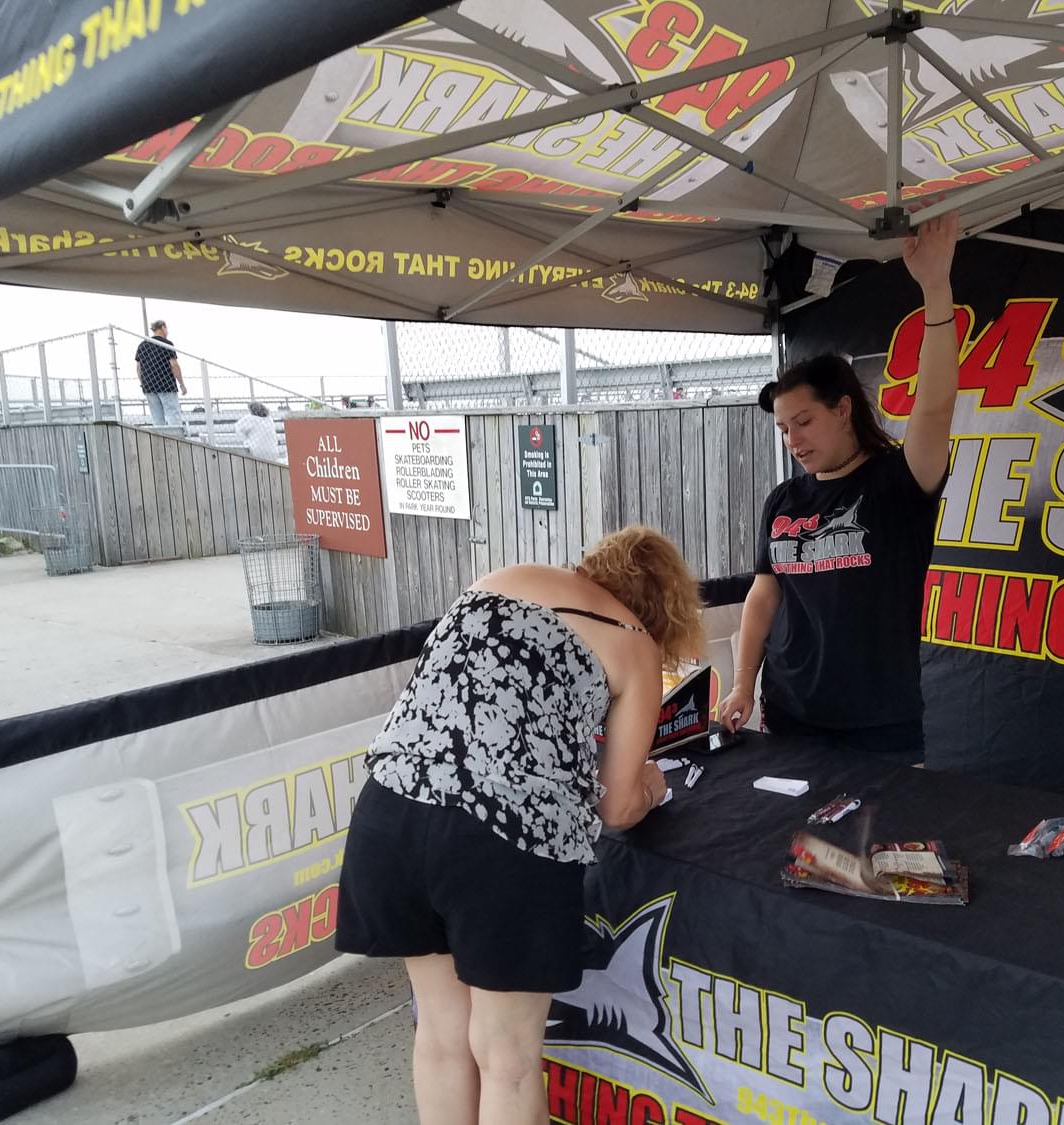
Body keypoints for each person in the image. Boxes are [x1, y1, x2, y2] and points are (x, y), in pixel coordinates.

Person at [336, 526, 705, 1124]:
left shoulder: (503, 578)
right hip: (502, 836)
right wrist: (652, 785)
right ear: (665, 607)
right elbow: (618, 808)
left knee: (441, 1033)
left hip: (390, 812)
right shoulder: (634, 642)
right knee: (507, 1057)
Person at [717, 211, 962, 765]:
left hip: (878, 730)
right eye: (784, 429)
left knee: (882, 829)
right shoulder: (784, 500)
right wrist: (742, 684)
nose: (793, 440)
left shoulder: (898, 481)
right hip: (790, 716)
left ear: (844, 409)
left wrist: (935, 288)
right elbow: (764, 595)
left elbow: (936, 405)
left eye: (804, 422)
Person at [134, 319, 187, 428]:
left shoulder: (143, 345)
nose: (167, 331)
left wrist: (142, 383)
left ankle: (159, 438)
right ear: (163, 327)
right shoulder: (167, 344)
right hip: (166, 385)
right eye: (166, 328)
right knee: (173, 415)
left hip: (149, 386)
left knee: (157, 418)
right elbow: (174, 365)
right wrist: (181, 384)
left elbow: (138, 368)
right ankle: (175, 437)